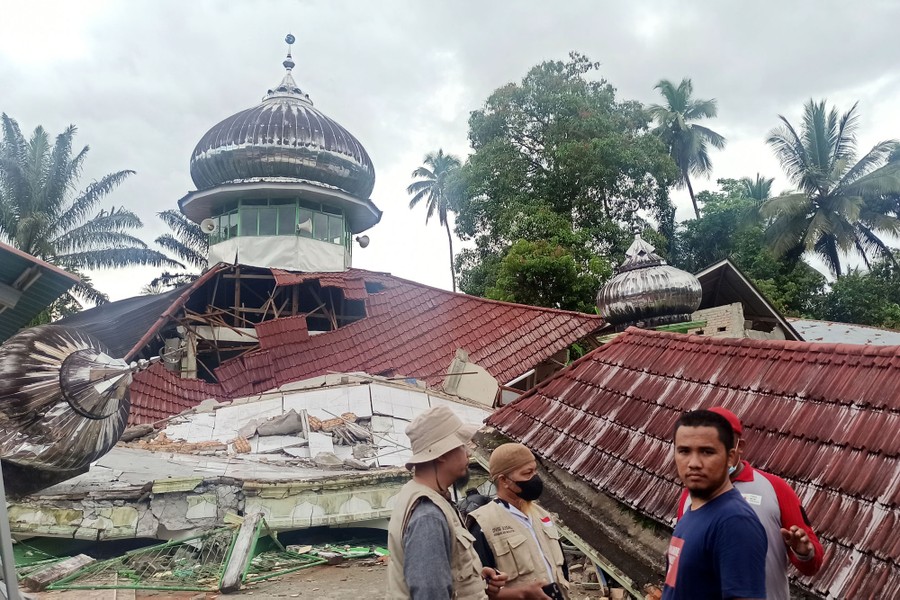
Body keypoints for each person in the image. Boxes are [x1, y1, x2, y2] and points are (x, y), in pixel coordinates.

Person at [676, 407, 824, 600]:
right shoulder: (690, 497)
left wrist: (804, 552)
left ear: (738, 447)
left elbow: (813, 564)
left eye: (709, 450)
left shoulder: (775, 488)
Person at [386, 404, 508, 599]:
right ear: (442, 454)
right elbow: (430, 593)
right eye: (461, 445)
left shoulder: (419, 494)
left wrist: (474, 579)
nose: (467, 453)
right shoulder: (428, 515)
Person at [663, 409, 767, 600]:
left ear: (731, 457)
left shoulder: (734, 522)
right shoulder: (694, 510)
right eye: (684, 451)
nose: (694, 463)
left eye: (707, 452)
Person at [468, 443, 568, 600]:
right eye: (527, 473)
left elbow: (561, 569)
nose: (535, 478)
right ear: (504, 480)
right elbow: (477, 590)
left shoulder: (542, 515)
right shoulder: (483, 525)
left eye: (535, 471)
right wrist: (521, 594)